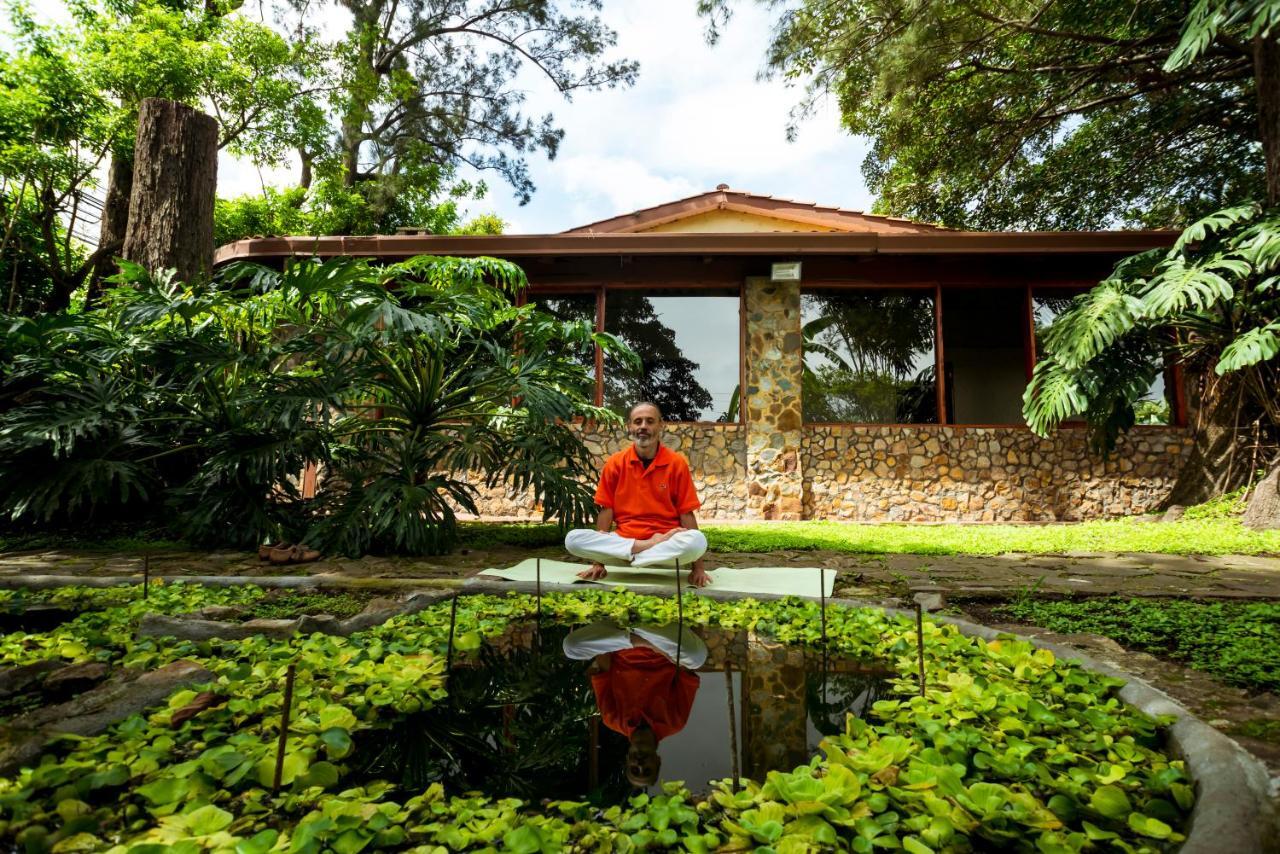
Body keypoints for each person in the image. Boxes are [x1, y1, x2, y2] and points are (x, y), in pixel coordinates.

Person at [564, 401, 711, 587]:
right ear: (630, 427)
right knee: (573, 539)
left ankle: (636, 558)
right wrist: (598, 563)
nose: (643, 426)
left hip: (663, 544)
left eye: (650, 421)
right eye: (638, 421)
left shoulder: (676, 463)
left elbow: (686, 513)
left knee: (697, 541)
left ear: (660, 425)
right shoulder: (615, 463)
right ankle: (641, 551)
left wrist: (698, 568)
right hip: (626, 541)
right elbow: (606, 511)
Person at [563, 621, 707, 788]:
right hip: (663, 644)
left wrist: (628, 640)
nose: (640, 764)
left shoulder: (612, 719)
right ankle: (639, 629)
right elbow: (686, 671)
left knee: (570, 647)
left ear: (627, 760)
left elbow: (603, 662)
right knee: (697, 659)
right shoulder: (675, 722)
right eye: (647, 770)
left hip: (622, 642)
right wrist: (693, 624)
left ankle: (637, 631)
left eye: (634, 770)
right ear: (657, 762)